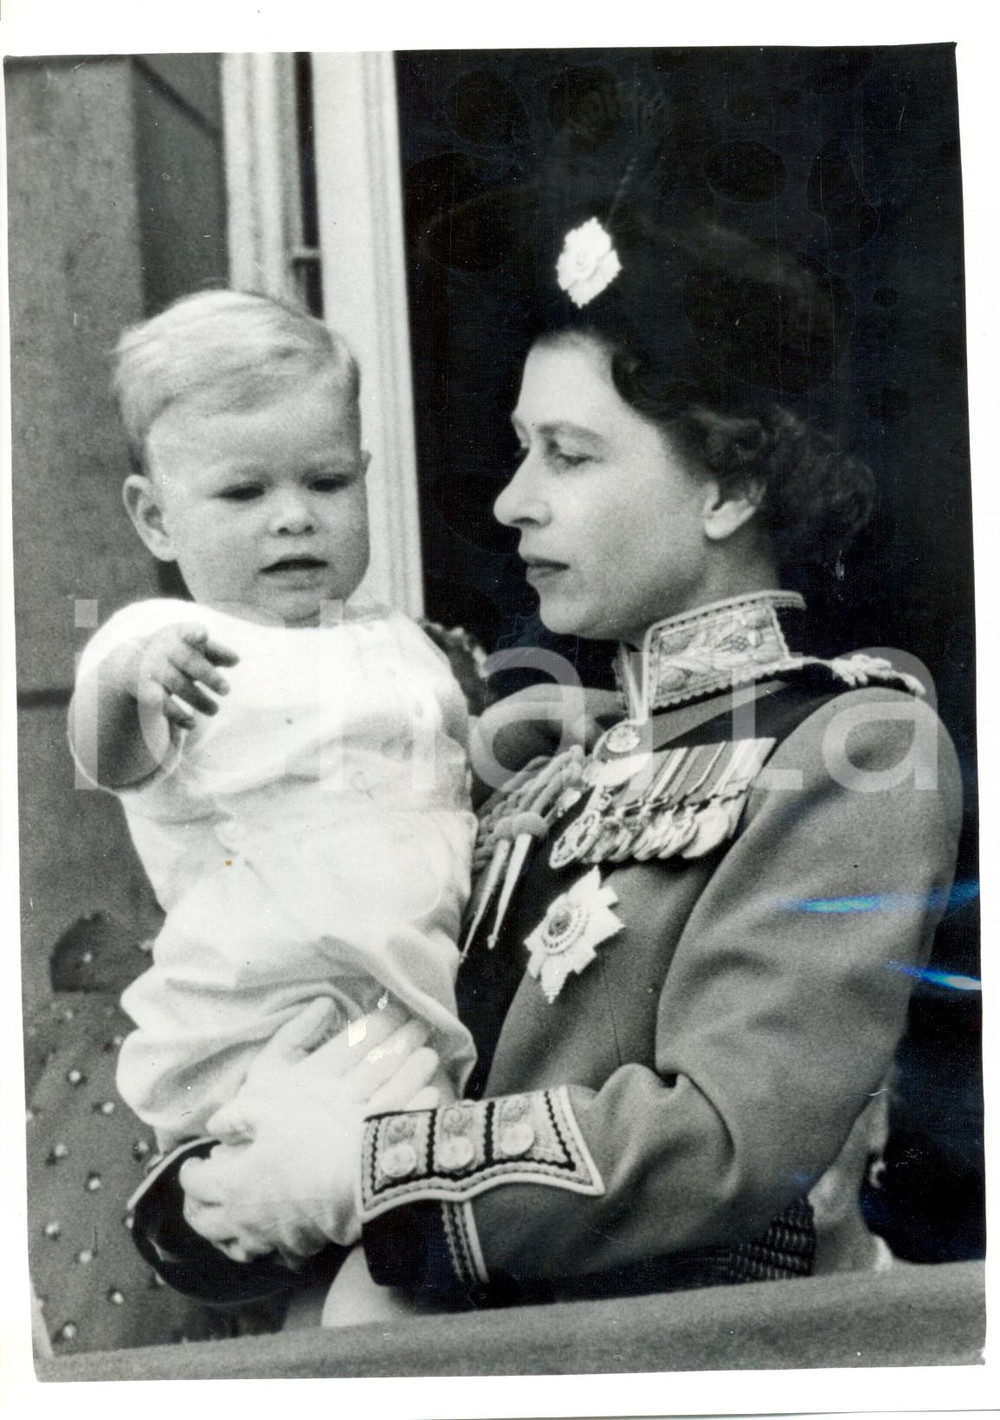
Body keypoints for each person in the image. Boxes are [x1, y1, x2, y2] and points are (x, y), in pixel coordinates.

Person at [132, 218, 962, 1316]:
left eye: (566, 454)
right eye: (523, 448)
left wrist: (371, 1171)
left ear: (725, 489)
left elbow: (725, 1140)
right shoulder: (541, 766)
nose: (510, 499)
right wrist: (233, 1177)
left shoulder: (849, 746)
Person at [68, 290, 477, 1167]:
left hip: (410, 1006)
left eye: (327, 482)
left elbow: (443, 782)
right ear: (155, 518)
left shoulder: (399, 641)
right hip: (268, 1022)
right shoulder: (171, 645)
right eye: (244, 491)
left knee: (401, 1238)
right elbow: (104, 753)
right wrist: (132, 687)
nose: (293, 515)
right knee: (364, 1219)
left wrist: (507, 751)